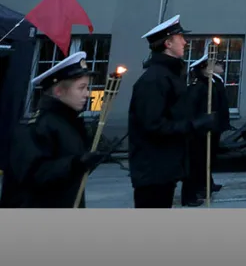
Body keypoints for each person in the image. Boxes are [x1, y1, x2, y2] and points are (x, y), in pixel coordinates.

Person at [128, 16, 217, 209]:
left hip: (165, 168)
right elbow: (153, 125)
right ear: (168, 44)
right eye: (180, 38)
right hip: (153, 170)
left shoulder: (170, 75)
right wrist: (194, 125)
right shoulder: (155, 80)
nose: (185, 42)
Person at [1, 52, 109, 208]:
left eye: (87, 87)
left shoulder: (68, 122)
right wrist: (77, 163)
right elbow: (34, 175)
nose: (87, 94)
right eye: (81, 88)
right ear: (59, 91)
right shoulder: (38, 126)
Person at [181, 53, 229, 207]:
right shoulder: (200, 85)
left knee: (208, 158)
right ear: (205, 68)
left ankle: (206, 184)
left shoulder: (214, 81)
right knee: (197, 161)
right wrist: (199, 124)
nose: (220, 65)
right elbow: (192, 108)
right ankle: (191, 193)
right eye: (215, 63)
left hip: (211, 126)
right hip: (200, 129)